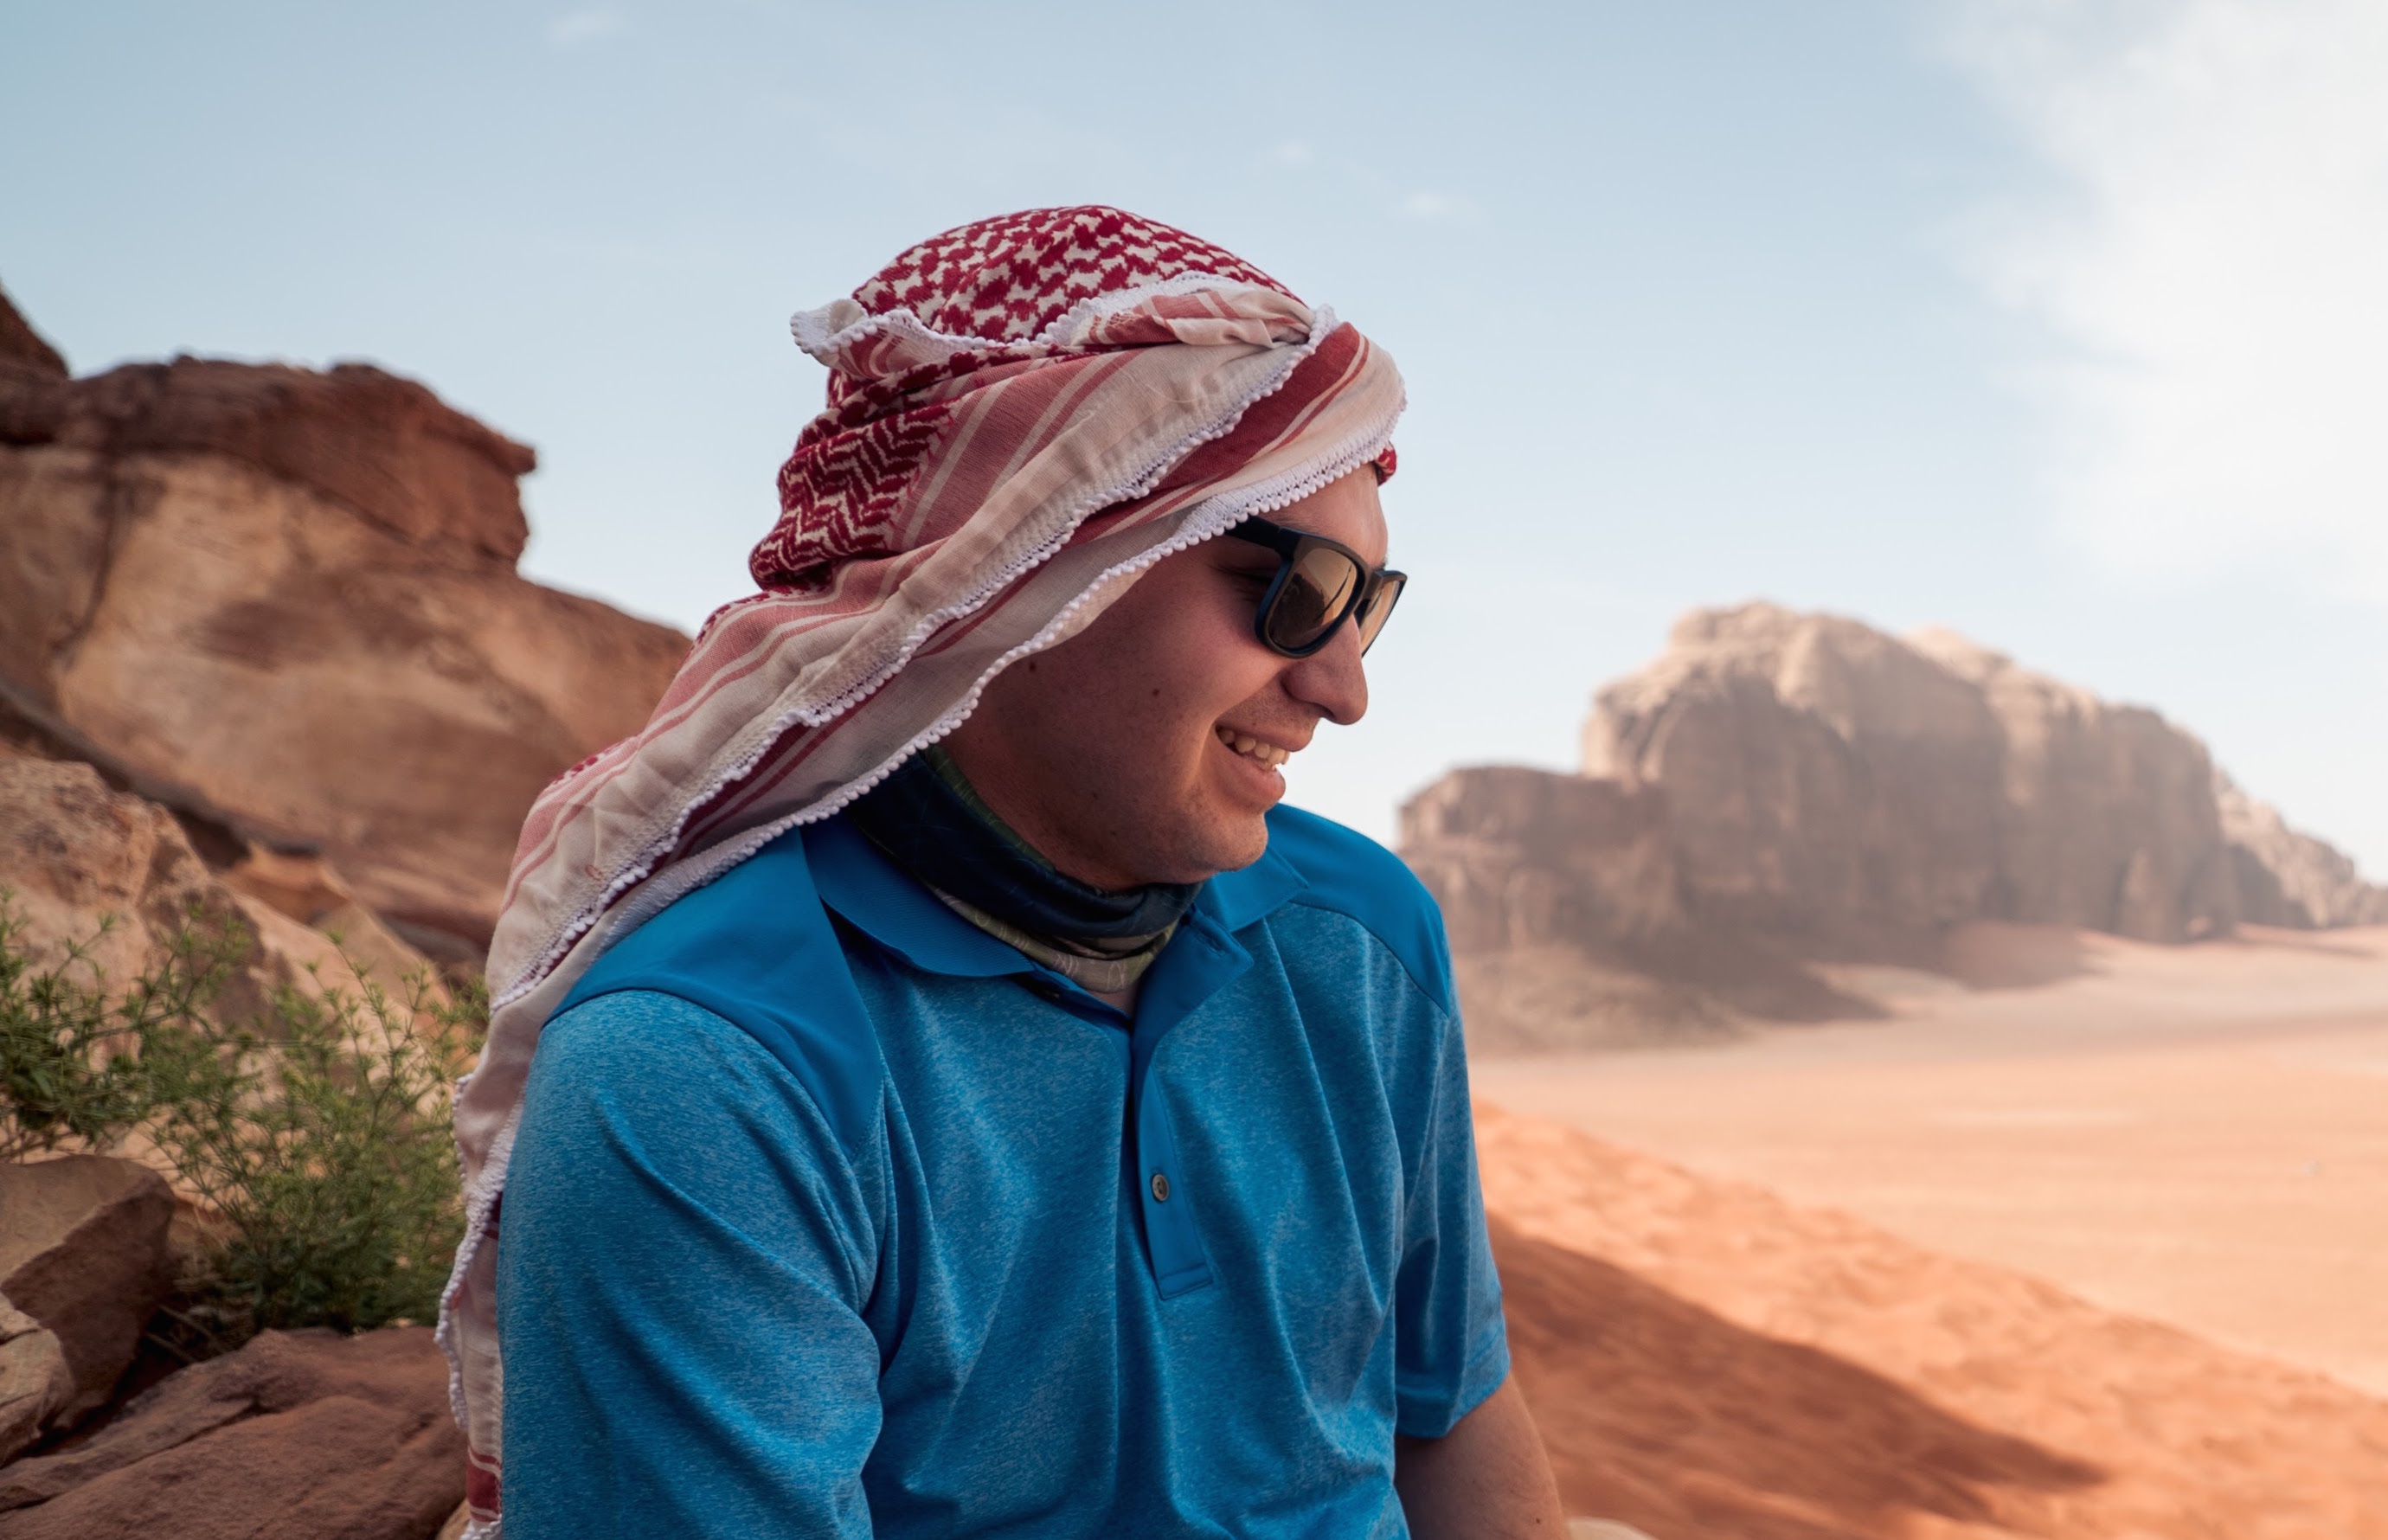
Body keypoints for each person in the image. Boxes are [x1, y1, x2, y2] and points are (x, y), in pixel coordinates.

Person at [435, 208, 1567, 1539]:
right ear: (1029, 571)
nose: (1342, 687)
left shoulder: (1360, 933)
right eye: (1295, 592)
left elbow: (1448, 1418)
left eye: (1368, 603)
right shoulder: (705, 1070)